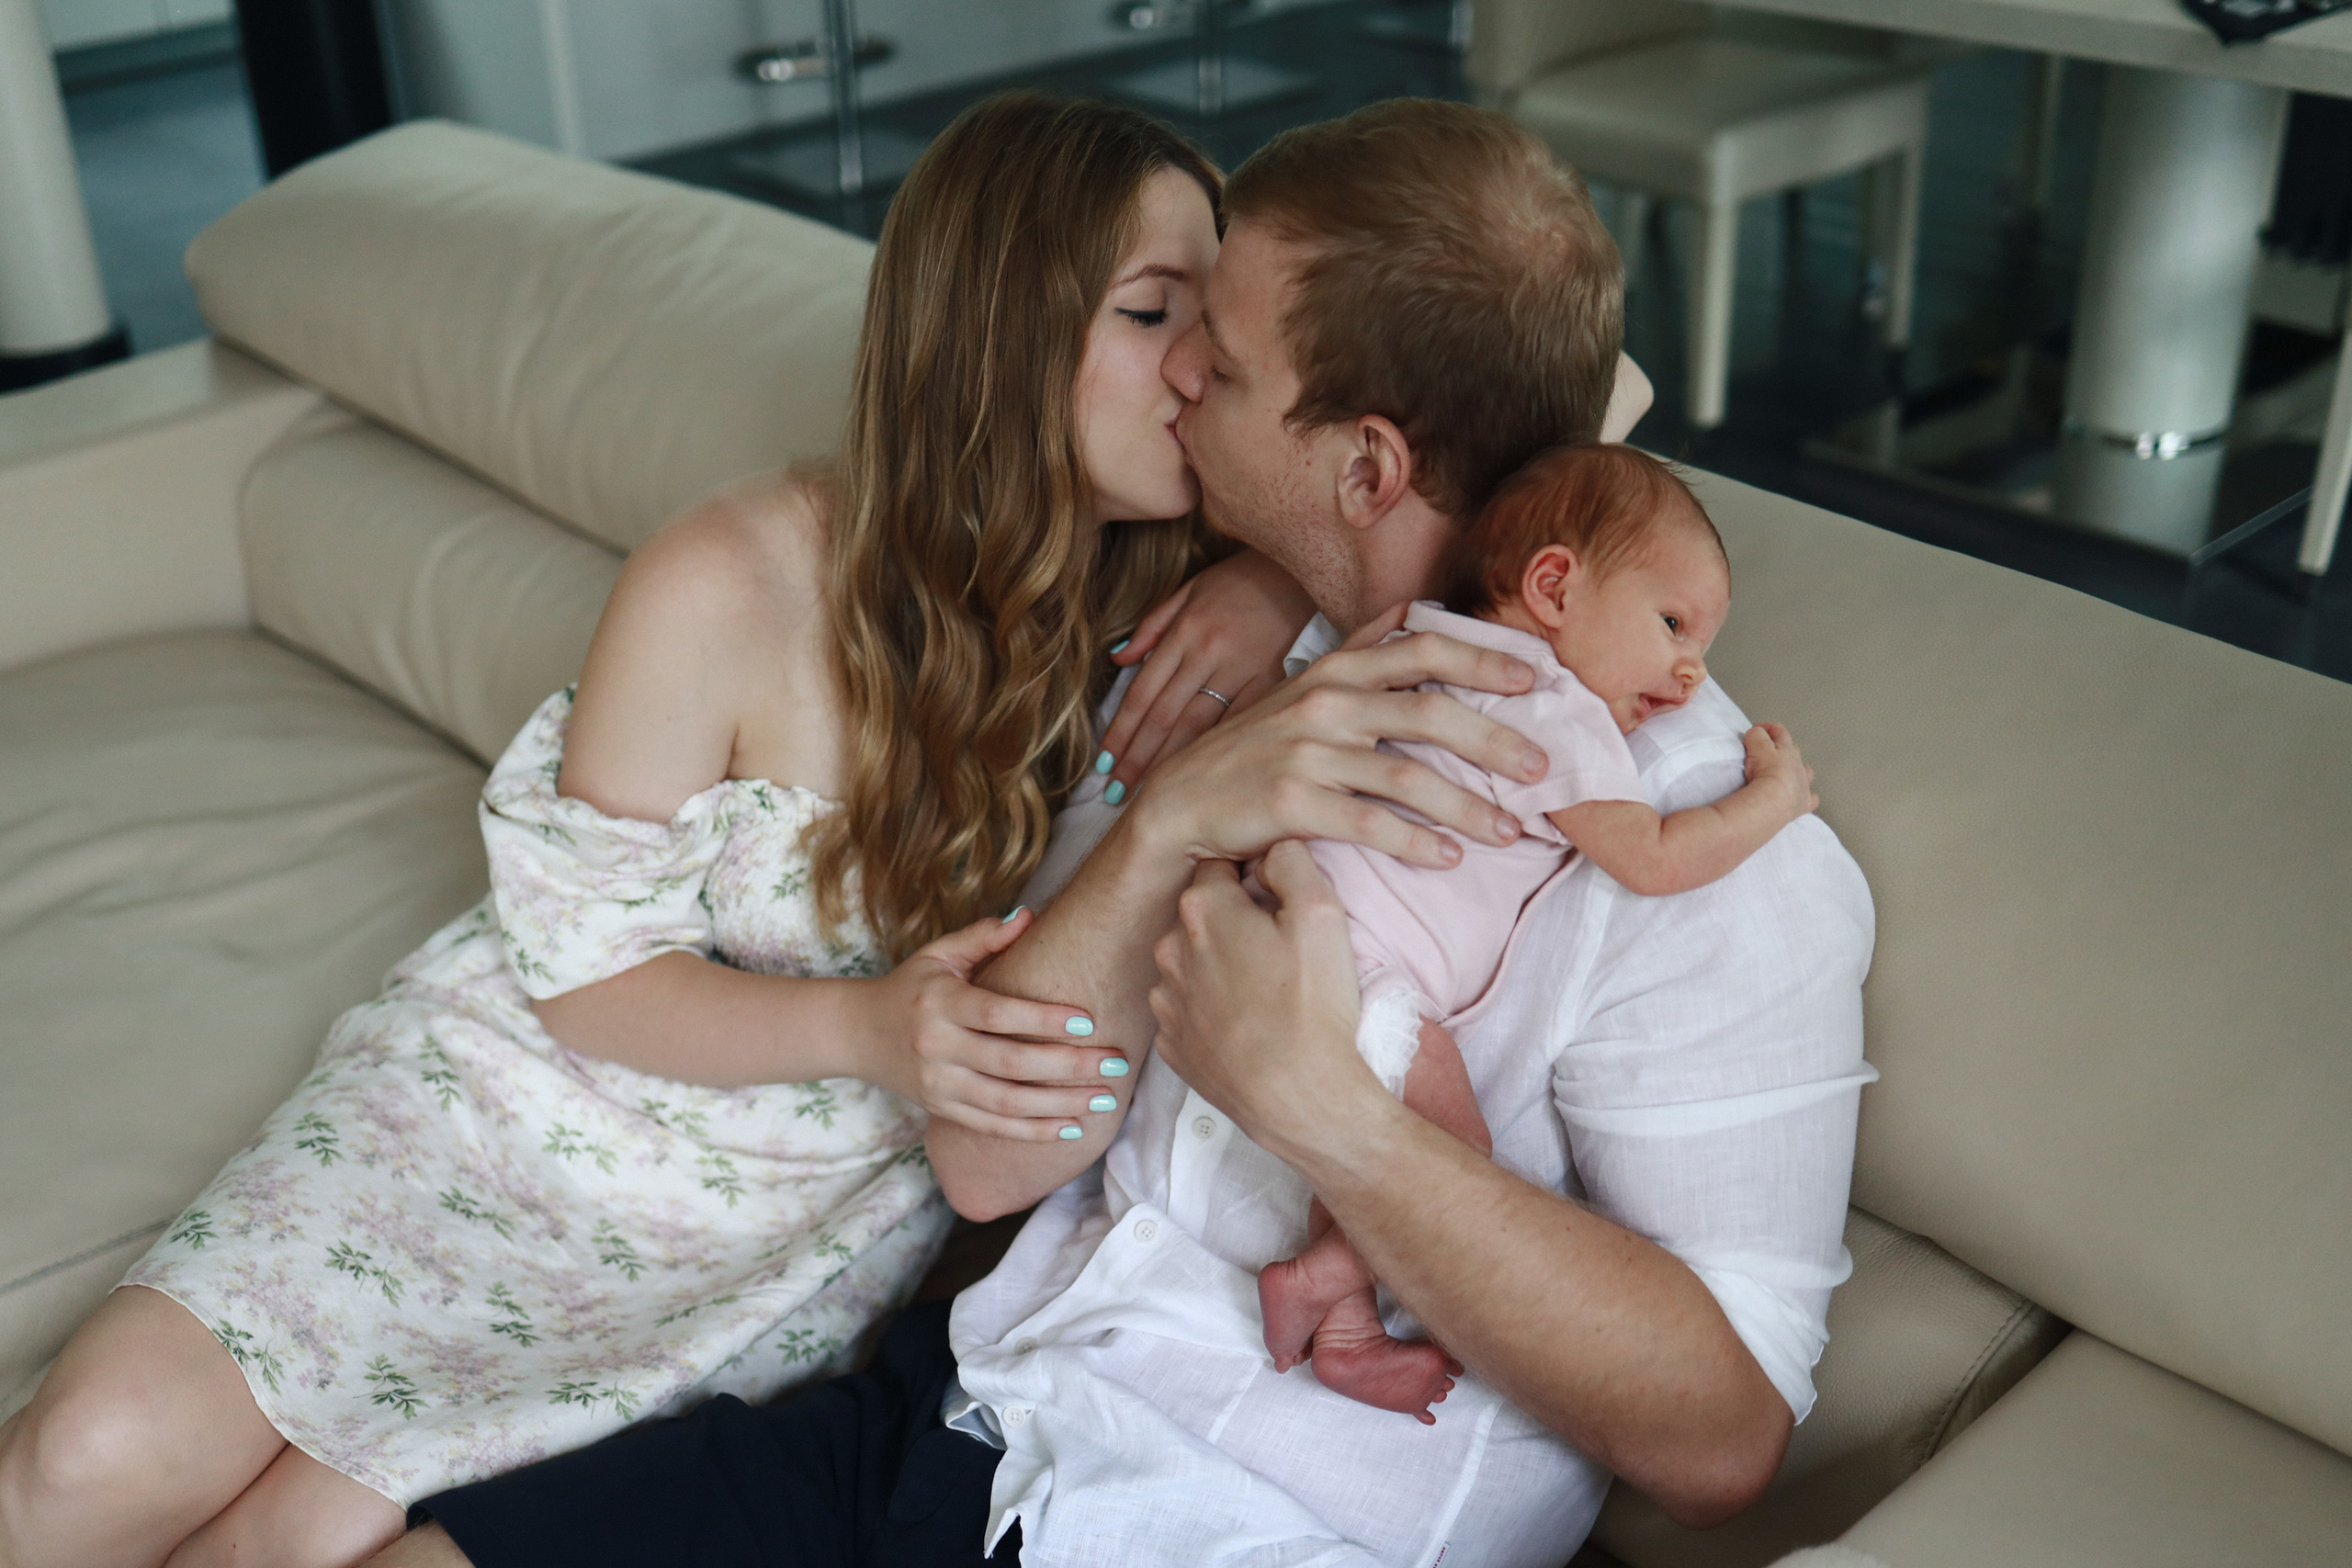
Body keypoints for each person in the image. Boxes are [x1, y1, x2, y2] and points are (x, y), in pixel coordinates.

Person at [367, 98, 1871, 1568]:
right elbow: (981, 1162)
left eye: (1220, 357)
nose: (1181, 382)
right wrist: (1173, 817)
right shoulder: (1209, 666)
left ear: (1362, 467)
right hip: (977, 1408)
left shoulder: (1713, 852)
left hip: (1265, 1508)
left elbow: (1723, 1441)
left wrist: (1326, 1115)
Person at [0, 93, 1317, 1568]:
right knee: (75, 1457)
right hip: (515, 1101)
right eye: (1154, 311)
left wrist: (1275, 584)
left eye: (1224, 320)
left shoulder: (1212, 604)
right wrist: (874, 1027)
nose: (1208, 363)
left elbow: (1559, 415)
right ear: (999, 332)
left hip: (765, 1231)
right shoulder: (732, 574)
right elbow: (583, 973)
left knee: (295, 1544)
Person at [1253, 443, 1821, 1420]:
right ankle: (1320, 1288)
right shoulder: (1547, 702)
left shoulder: (1424, 638)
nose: (1690, 673)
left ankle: (1340, 1323)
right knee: (1450, 1159)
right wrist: (1776, 800)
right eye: (1674, 623)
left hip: (1301, 913)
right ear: (1552, 585)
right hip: (1362, 957)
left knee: (1378, 1130)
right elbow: (1650, 857)